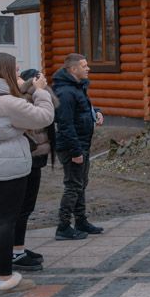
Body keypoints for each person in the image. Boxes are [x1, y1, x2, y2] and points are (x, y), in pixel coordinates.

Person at [0, 53, 55, 293]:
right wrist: (40, 91)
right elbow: (44, 117)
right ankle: (6, 277)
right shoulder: (7, 102)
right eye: (15, 70)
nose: (18, 75)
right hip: (9, 166)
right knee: (6, 221)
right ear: (4, 72)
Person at [53, 54, 105, 240]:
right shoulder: (66, 92)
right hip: (72, 147)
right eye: (84, 65)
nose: (88, 68)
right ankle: (63, 226)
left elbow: (82, 109)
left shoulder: (76, 87)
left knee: (81, 184)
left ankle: (81, 221)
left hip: (82, 143)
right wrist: (75, 151)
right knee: (73, 186)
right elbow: (65, 124)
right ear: (73, 69)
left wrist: (96, 112)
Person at [11, 69, 55, 272]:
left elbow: (55, 107)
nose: (19, 74)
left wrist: (41, 89)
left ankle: (18, 248)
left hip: (35, 155)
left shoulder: (23, 91)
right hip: (26, 154)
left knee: (26, 207)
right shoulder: (13, 94)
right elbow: (39, 118)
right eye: (15, 70)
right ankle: (15, 253)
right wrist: (35, 90)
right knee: (19, 208)